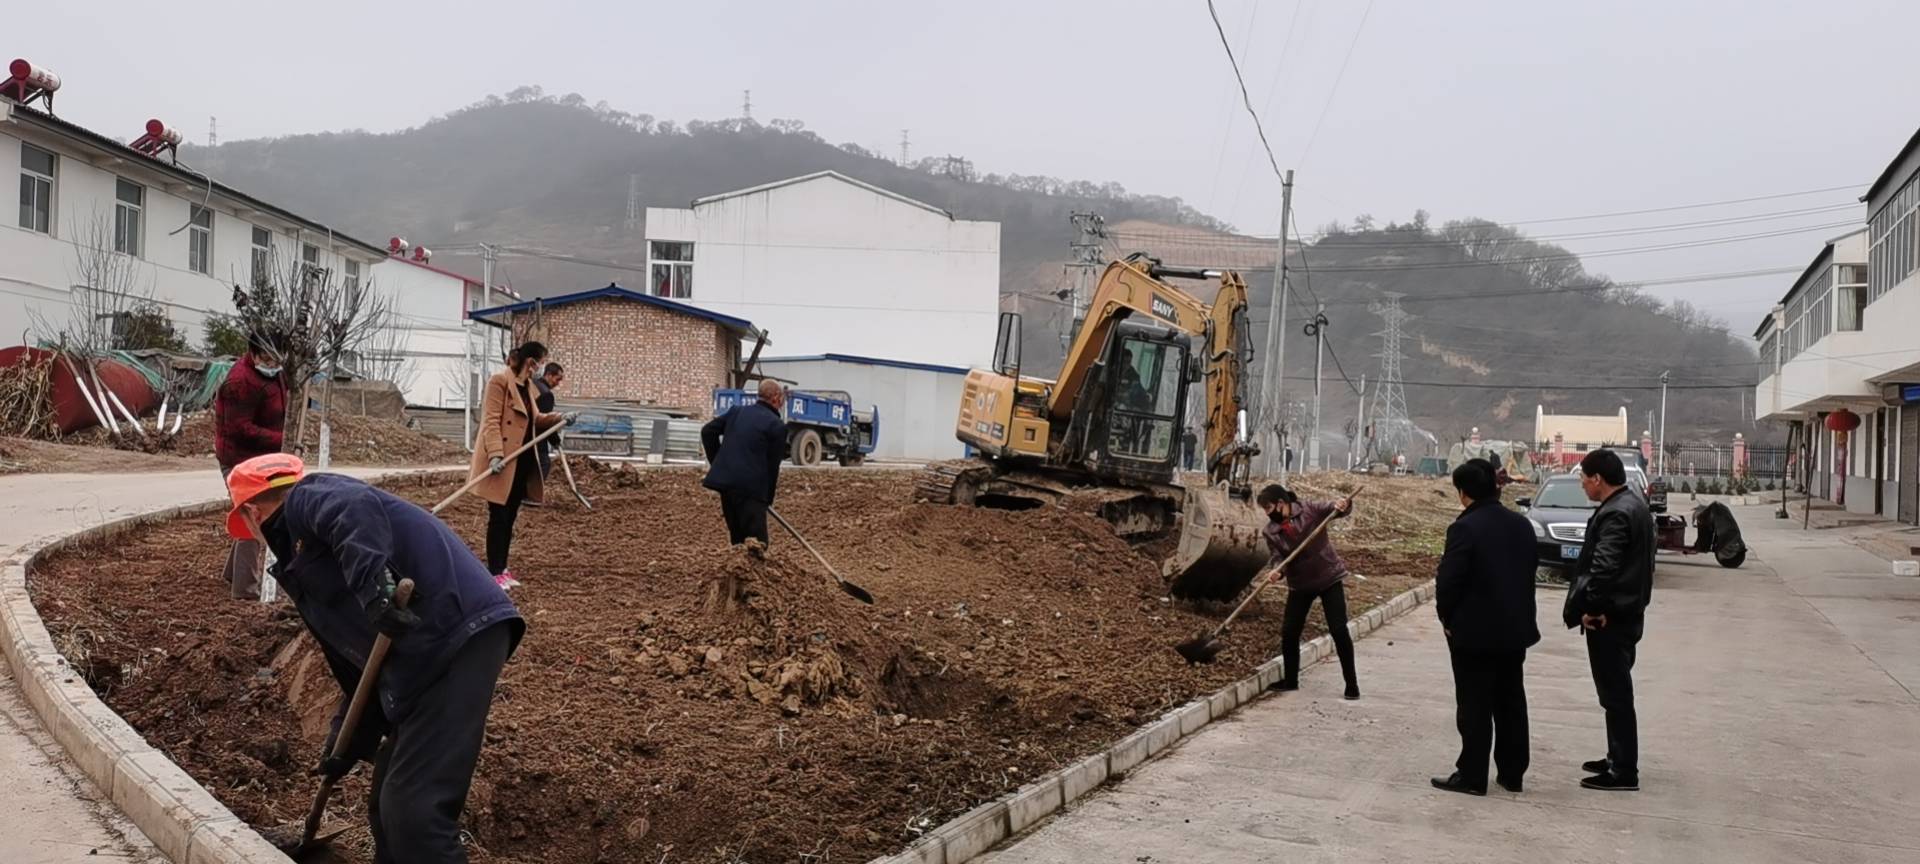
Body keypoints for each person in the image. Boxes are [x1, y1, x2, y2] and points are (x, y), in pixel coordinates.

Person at [224, 453, 523, 864]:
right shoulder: (304, 562)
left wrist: (374, 587)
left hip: (455, 632)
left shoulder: (309, 497)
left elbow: (353, 509)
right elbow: (357, 668)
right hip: (424, 654)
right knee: (388, 804)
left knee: (416, 812)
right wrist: (343, 746)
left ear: (252, 513)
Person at [1431, 459, 1541, 796]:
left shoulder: (1465, 528)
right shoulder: (1522, 525)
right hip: (1514, 631)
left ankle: (1472, 775)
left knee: (1475, 705)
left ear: (1463, 493)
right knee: (1510, 702)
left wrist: (1447, 620)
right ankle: (1512, 773)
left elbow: (1448, 582)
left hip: (1474, 634)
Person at [1564, 448, 1654, 792]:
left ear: (1598, 479)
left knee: (1615, 694)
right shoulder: (1633, 505)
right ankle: (1616, 755)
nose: (1583, 485)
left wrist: (1593, 608)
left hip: (1611, 617)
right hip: (1628, 612)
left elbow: (1603, 569)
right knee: (1615, 691)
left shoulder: (1616, 514)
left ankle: (1623, 770)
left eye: (1584, 479)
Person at [468, 341, 568, 589]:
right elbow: (491, 421)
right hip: (503, 460)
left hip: (521, 460)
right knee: (499, 517)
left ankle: (502, 568)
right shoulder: (499, 382)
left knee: (510, 516)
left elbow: (537, 419)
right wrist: (494, 455)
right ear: (530, 361)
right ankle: (494, 573)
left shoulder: (527, 387)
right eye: (539, 363)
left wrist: (561, 419)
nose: (538, 369)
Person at [1258, 483, 1360, 699]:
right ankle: (1291, 680)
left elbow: (1334, 508)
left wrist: (1343, 504)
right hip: (1300, 584)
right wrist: (1277, 571)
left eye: (1268, 508)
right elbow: (1278, 558)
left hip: (1328, 577)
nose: (1268, 514)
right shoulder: (1270, 531)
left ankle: (1352, 684)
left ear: (1281, 503)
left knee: (1338, 630)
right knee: (1289, 632)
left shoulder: (1309, 508)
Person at [212, 335, 287, 600]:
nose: (274, 364)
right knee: (256, 517)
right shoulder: (239, 383)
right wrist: (282, 440)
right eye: (267, 359)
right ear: (252, 354)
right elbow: (238, 428)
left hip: (262, 460)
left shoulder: (274, 374)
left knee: (249, 513)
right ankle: (246, 589)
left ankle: (234, 573)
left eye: (278, 359)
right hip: (238, 461)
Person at [702, 379, 789, 549]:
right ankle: (753, 573)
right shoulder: (776, 426)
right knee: (758, 544)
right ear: (776, 398)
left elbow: (707, 431)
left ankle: (738, 572)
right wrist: (767, 499)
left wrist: (718, 464)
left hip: (727, 486)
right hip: (752, 491)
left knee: (738, 540)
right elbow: (773, 467)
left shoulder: (737, 412)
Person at [533, 362, 565, 481]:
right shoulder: (546, 394)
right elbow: (546, 421)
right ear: (549, 375)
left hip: (524, 436)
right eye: (558, 379)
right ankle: (531, 495)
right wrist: (555, 440)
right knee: (544, 464)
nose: (558, 383)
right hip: (537, 438)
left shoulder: (533, 385)